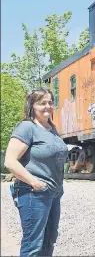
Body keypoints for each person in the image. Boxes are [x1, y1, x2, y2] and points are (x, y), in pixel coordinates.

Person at [5, 87, 68, 256]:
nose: (48, 106)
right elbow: (10, 161)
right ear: (32, 105)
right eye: (42, 103)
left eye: (50, 102)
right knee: (33, 245)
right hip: (33, 194)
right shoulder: (27, 127)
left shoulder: (51, 128)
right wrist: (35, 182)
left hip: (53, 194)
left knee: (49, 241)